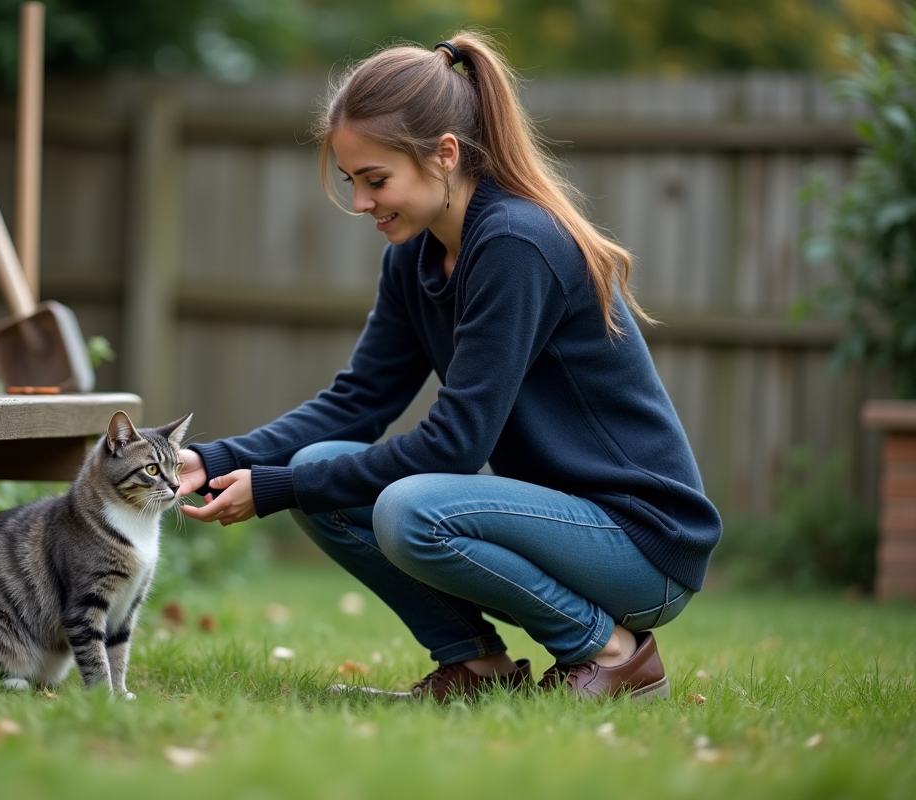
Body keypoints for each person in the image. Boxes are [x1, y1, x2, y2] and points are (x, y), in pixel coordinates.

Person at [178, 32, 722, 703]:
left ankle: (614, 657)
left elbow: (456, 446)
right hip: (566, 525)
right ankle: (473, 669)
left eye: (377, 180)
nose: (360, 204)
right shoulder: (414, 257)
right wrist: (214, 458)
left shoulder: (517, 244)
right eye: (353, 182)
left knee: (407, 508)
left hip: (643, 542)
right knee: (322, 471)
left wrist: (279, 484)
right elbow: (360, 400)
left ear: (444, 154)